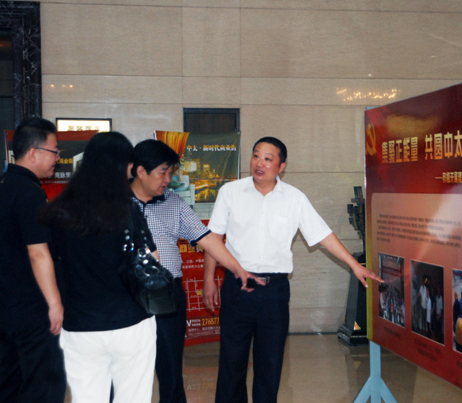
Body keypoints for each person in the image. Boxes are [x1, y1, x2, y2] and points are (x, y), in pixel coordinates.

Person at [203, 136, 383, 403]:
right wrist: (208, 279)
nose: (259, 163)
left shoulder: (294, 198)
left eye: (268, 158)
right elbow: (213, 238)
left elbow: (323, 235)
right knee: (231, 362)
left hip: (274, 292)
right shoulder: (230, 192)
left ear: (281, 166)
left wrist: (355, 265)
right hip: (237, 287)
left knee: (270, 363)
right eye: (256, 155)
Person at [130, 139, 260, 403]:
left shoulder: (173, 202)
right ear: (141, 171)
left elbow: (207, 238)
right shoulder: (112, 203)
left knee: (171, 370)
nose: (168, 180)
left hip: (167, 296)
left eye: (170, 172)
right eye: (162, 173)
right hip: (125, 297)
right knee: (126, 371)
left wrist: (238, 269)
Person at [39, 132, 157, 403]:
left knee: (87, 398)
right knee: (134, 397)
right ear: (119, 165)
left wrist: (55, 304)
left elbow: (47, 260)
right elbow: (152, 261)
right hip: (131, 322)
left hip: (81, 325)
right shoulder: (128, 210)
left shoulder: (59, 211)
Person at [0, 117, 66, 402]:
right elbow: (38, 253)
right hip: (32, 310)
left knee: (9, 385)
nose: (58, 158)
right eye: (54, 151)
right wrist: (55, 304)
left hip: (7, 307)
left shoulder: (4, 185)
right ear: (34, 152)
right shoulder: (30, 193)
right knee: (43, 385)